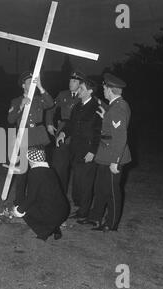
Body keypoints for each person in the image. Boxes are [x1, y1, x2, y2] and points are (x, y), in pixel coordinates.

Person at [77, 73, 131, 232]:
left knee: (112, 192)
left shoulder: (118, 108)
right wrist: (105, 116)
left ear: (110, 90)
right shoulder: (115, 106)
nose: (104, 91)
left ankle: (111, 223)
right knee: (100, 188)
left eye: (105, 88)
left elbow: (120, 137)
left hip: (113, 156)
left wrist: (116, 160)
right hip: (105, 155)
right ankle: (95, 218)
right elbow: (112, 126)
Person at [56, 78, 102, 219]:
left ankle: (84, 212)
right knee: (78, 181)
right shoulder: (77, 106)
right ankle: (81, 207)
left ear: (90, 91)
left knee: (86, 183)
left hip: (88, 151)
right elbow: (71, 124)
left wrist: (93, 151)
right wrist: (63, 133)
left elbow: (99, 132)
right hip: (75, 149)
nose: (78, 90)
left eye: (81, 88)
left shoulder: (97, 108)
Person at [7, 71, 54, 206]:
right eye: (29, 82)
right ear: (23, 85)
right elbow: (10, 120)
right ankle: (19, 202)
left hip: (37, 139)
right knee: (22, 173)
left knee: (38, 173)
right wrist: (21, 106)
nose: (31, 83)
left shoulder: (39, 99)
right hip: (23, 139)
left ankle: (37, 200)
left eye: (33, 81)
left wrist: (40, 86)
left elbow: (50, 104)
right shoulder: (15, 101)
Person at [11, 146, 69, 241]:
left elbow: (31, 197)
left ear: (31, 160)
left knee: (22, 206)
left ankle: (45, 230)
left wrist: (18, 210)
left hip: (52, 214)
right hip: (63, 211)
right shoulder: (51, 170)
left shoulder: (35, 173)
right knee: (38, 205)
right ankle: (55, 227)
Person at [47, 70, 85, 194]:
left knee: (79, 170)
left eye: (74, 81)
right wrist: (49, 123)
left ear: (81, 84)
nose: (70, 83)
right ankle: (59, 193)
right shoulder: (62, 94)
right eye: (70, 80)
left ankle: (78, 198)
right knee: (59, 167)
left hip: (79, 135)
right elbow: (50, 108)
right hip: (62, 134)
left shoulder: (85, 96)